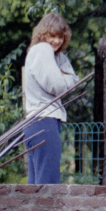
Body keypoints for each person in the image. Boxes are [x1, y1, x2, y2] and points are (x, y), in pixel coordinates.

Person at [22, 13, 79, 184]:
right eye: (52, 35)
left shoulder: (56, 56)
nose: (56, 41)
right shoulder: (42, 49)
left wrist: (64, 76)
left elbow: (74, 81)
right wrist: (62, 77)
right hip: (44, 122)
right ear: (42, 34)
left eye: (60, 37)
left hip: (34, 123)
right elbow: (58, 86)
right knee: (49, 185)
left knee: (36, 187)